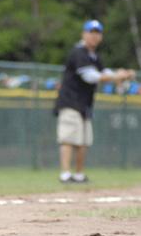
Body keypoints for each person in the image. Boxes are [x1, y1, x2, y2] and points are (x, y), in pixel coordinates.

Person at [54, 19, 135, 184]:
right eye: (91, 33)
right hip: (70, 102)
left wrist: (121, 73)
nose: (94, 36)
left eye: (97, 33)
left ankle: (79, 174)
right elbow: (90, 77)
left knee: (84, 141)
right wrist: (116, 76)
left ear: (101, 37)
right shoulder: (79, 53)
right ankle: (65, 174)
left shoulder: (94, 56)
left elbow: (104, 72)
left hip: (84, 105)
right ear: (84, 34)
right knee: (68, 139)